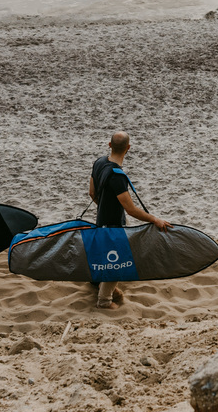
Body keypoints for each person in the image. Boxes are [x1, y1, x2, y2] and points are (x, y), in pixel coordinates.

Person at [88, 131, 172, 310]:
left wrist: (103, 207)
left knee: (105, 255)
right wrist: (155, 219)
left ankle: (100, 284)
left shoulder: (99, 162)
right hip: (113, 226)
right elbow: (131, 209)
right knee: (116, 262)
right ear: (128, 148)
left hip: (101, 221)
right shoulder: (117, 176)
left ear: (109, 145)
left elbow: (92, 193)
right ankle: (104, 301)